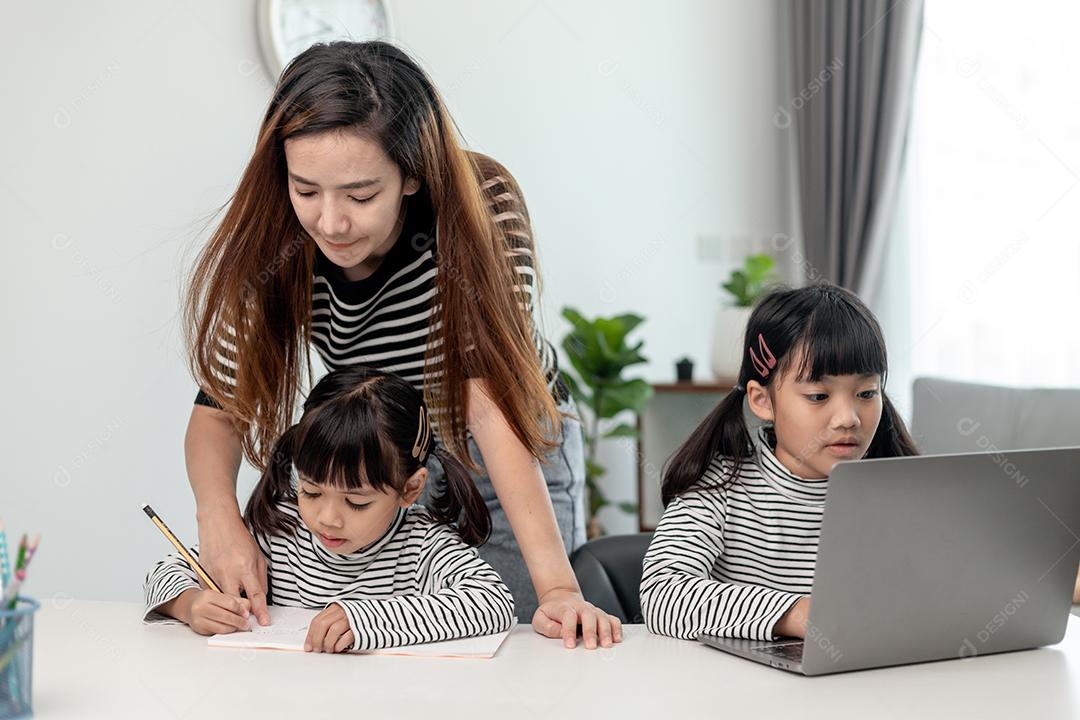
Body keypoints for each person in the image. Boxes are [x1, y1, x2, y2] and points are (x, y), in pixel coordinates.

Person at [182, 40, 620, 648]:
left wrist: (557, 591)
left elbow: (488, 401)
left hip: (500, 447)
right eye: (306, 190)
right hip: (381, 461)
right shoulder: (275, 237)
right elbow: (218, 411)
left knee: (509, 639)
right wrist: (219, 520)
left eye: (360, 196)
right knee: (380, 641)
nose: (330, 222)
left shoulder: (480, 206)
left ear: (413, 172)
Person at [145, 366, 514, 652]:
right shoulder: (280, 532)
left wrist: (366, 621)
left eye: (356, 502)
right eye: (311, 491)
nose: (328, 518)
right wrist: (191, 605)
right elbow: (165, 571)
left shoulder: (421, 545)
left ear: (410, 488)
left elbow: (493, 603)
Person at [640, 283, 918, 640]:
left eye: (866, 393)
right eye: (819, 395)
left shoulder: (897, 491)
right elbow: (663, 596)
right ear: (762, 400)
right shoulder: (720, 489)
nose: (849, 417)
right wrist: (799, 614)